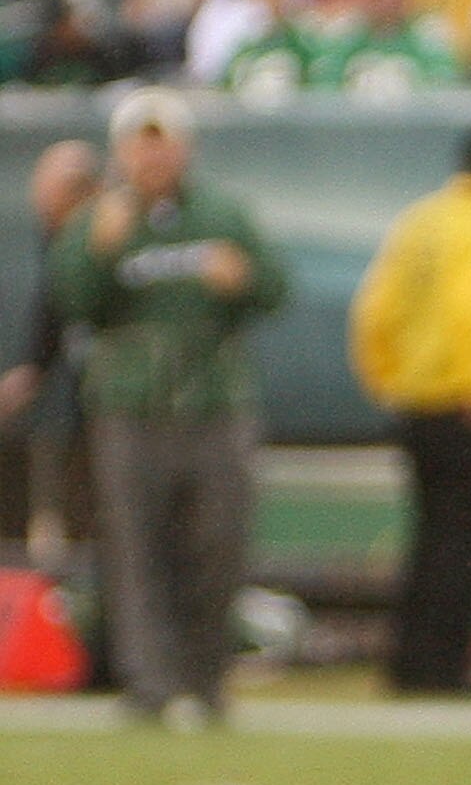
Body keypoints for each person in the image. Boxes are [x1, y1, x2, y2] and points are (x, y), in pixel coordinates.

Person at [48, 90, 287, 722]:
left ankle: (207, 679)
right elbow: (72, 302)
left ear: (185, 149)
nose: (153, 158)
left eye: (164, 144)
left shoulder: (223, 215)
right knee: (135, 550)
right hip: (131, 405)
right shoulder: (100, 221)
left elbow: (275, 288)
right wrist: (99, 252)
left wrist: (247, 280)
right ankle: (148, 684)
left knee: (218, 546)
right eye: (141, 145)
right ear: (122, 153)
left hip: (214, 402)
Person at [348, 135, 471, 695]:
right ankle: (443, 667)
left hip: (416, 403)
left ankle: (408, 661)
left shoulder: (420, 221)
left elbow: (376, 311)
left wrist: (391, 382)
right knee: (465, 544)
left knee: (428, 539)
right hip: (467, 404)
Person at [0, 138, 101, 564]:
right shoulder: (58, 241)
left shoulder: (105, 239)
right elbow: (53, 313)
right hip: (80, 398)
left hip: (117, 403)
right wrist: (35, 369)